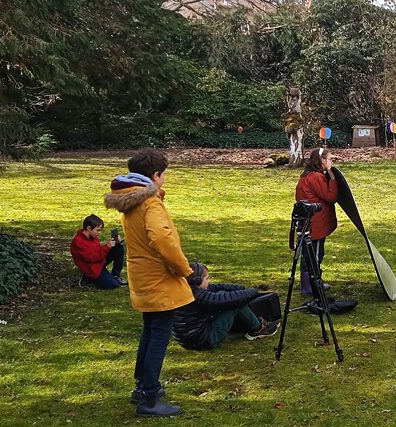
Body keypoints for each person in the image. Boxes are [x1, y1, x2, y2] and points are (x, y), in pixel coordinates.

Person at [104, 148, 193, 417]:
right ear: (155, 175)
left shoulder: (130, 200)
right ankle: (150, 398)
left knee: (150, 331)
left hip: (142, 276)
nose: (164, 179)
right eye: (163, 174)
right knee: (159, 335)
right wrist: (185, 270)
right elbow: (162, 239)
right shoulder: (150, 203)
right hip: (158, 278)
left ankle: (142, 386)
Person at [172, 263, 279, 350]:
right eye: (207, 278)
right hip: (203, 341)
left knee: (223, 293)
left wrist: (241, 288)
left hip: (191, 339)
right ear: (198, 281)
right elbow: (228, 300)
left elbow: (216, 287)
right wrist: (254, 291)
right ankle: (258, 329)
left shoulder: (187, 290)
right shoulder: (200, 296)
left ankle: (254, 326)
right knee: (234, 304)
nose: (209, 281)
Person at [295, 148, 338, 298]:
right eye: (330, 159)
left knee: (309, 253)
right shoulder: (315, 177)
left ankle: (312, 284)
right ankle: (312, 286)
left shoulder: (308, 175)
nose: (331, 162)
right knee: (315, 255)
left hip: (308, 222)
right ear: (322, 161)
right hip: (315, 223)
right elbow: (331, 197)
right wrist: (332, 177)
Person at [70, 214, 126, 289]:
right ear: (89, 228)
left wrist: (113, 243)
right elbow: (92, 258)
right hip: (91, 269)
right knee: (113, 285)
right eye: (97, 230)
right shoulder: (78, 242)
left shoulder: (92, 236)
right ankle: (88, 278)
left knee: (118, 248)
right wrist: (106, 247)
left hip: (99, 262)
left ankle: (116, 275)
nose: (99, 233)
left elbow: (97, 251)